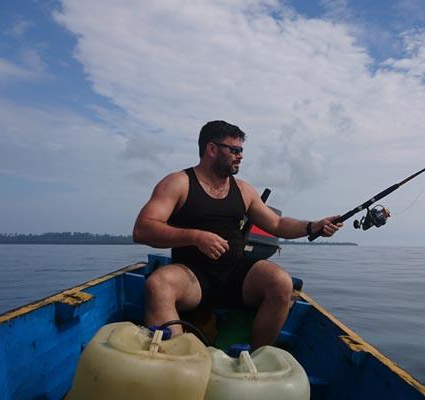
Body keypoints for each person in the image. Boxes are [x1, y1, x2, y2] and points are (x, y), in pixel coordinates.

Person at [133, 120, 342, 349]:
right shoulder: (178, 183)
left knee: (281, 282)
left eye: (241, 150)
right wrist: (195, 237)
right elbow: (143, 228)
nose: (240, 156)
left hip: (236, 275)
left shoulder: (243, 190)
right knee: (158, 284)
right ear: (211, 149)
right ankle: (176, 362)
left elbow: (278, 224)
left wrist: (314, 226)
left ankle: (254, 359)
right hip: (192, 277)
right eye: (234, 150)